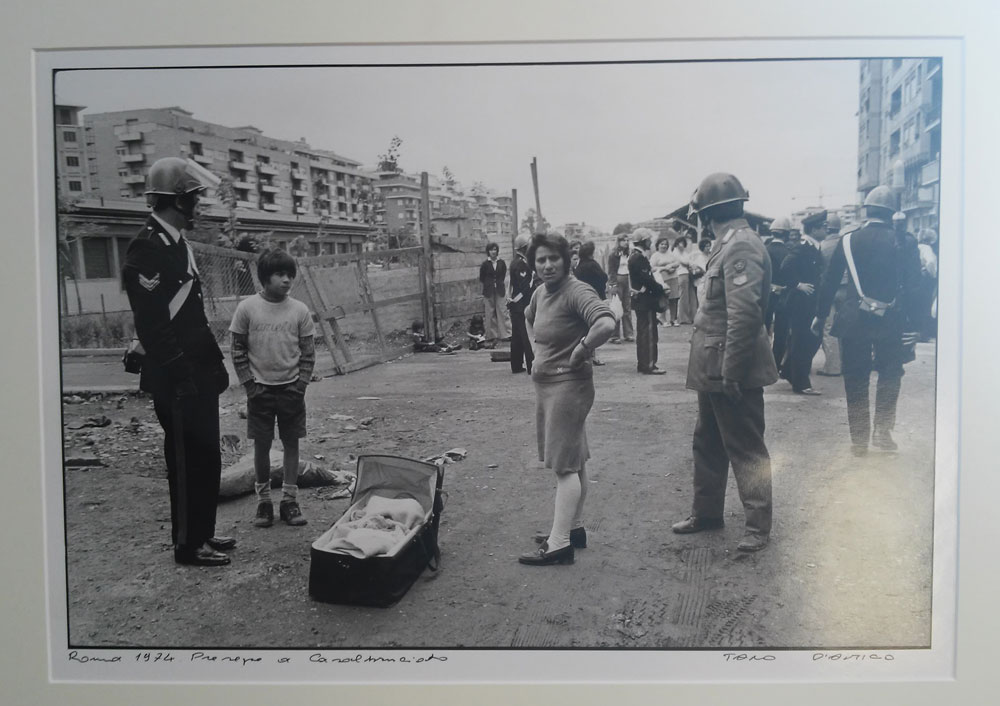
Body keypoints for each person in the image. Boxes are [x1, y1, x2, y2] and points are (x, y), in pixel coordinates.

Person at [121, 157, 233, 567]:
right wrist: (182, 373)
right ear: (177, 201)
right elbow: (153, 325)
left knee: (207, 456)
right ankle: (188, 545)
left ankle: (202, 532)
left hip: (195, 372)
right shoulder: (147, 246)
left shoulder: (175, 242)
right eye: (195, 197)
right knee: (186, 463)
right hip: (176, 376)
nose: (200, 205)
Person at [672, 173, 778, 553]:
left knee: (746, 445)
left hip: (730, 366)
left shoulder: (741, 247)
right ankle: (707, 512)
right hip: (711, 363)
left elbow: (745, 315)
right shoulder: (726, 244)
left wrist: (732, 372)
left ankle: (757, 526)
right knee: (708, 441)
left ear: (706, 214)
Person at [520, 233, 616, 566]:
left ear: (567, 260)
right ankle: (573, 529)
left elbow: (606, 322)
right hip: (548, 386)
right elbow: (528, 317)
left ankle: (559, 544)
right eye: (540, 260)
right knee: (576, 460)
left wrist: (583, 348)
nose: (547, 265)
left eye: (553, 259)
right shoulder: (540, 293)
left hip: (569, 386)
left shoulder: (576, 291)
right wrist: (537, 352)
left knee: (564, 468)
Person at [811, 186, 922, 456]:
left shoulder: (848, 241)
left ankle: (859, 439)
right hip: (892, 320)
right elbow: (915, 287)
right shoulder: (905, 242)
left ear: (866, 210)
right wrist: (916, 327)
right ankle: (882, 433)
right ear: (892, 212)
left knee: (856, 377)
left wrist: (820, 314)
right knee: (890, 375)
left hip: (854, 319)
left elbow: (829, 282)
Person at [229, 248, 316, 528]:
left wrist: (300, 384)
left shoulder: (299, 310)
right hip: (260, 392)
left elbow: (308, 353)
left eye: (290, 274)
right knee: (262, 447)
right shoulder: (247, 308)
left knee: (291, 444)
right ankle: (263, 502)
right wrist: (249, 386)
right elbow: (237, 348)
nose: (287, 280)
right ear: (264, 278)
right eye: (279, 274)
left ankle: (289, 500)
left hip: (291, 389)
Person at [778, 211, 825, 394]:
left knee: (808, 339)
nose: (826, 230)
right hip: (801, 302)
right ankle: (801, 383)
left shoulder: (813, 246)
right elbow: (785, 266)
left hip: (807, 301)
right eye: (824, 227)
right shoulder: (803, 246)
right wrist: (798, 285)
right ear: (814, 229)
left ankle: (790, 371)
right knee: (803, 340)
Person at [628, 228, 667, 375]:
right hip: (645, 300)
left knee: (643, 333)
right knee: (649, 334)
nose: (651, 242)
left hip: (641, 300)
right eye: (649, 240)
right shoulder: (639, 258)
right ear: (644, 241)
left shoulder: (635, 256)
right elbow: (647, 280)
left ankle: (643, 363)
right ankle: (649, 365)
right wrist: (660, 289)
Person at [816, 213, 845, 376]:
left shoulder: (823, 245)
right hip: (846, 289)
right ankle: (846, 364)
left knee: (828, 328)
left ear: (827, 228)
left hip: (828, 289)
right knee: (845, 326)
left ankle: (833, 367)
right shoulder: (846, 242)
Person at [573, 240, 610, 366]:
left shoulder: (579, 266)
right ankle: (593, 355)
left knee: (584, 329)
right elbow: (604, 277)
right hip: (595, 297)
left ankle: (584, 355)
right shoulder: (592, 264)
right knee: (593, 328)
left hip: (582, 298)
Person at [507, 233, 536, 374]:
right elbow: (525, 286)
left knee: (517, 336)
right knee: (526, 336)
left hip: (517, 305)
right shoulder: (520, 264)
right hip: (521, 304)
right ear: (524, 248)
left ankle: (517, 365)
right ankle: (531, 366)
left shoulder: (518, 262)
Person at [765, 217, 792, 361]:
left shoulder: (765, 249)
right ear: (786, 234)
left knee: (764, 327)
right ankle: (776, 362)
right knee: (781, 330)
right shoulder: (789, 250)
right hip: (785, 294)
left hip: (767, 293)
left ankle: (762, 360)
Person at [478, 242, 509, 345]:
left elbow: (503, 275)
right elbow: (482, 277)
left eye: (495, 250)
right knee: (490, 312)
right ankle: (491, 335)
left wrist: (498, 283)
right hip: (488, 290)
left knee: (502, 311)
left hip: (499, 290)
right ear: (488, 252)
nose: (493, 252)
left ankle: (505, 334)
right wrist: (489, 284)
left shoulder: (501, 263)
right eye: (491, 250)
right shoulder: (485, 264)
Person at [606, 234, 635, 342]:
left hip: (627, 279)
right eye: (623, 240)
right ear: (619, 242)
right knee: (616, 307)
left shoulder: (629, 254)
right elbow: (611, 271)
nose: (626, 242)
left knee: (627, 307)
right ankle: (614, 335)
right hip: (617, 279)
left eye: (627, 240)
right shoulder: (613, 254)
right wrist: (612, 284)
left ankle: (628, 333)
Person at [916, 228, 939, 341]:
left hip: (916, 278)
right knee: (927, 305)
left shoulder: (915, 247)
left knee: (918, 305)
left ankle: (919, 331)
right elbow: (930, 262)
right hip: (926, 279)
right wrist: (934, 275)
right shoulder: (927, 248)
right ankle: (925, 333)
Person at [649, 235, 677, 325]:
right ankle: (663, 319)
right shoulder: (655, 255)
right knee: (663, 299)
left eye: (665, 244)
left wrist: (671, 266)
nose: (664, 246)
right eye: (662, 244)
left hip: (673, 277)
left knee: (674, 299)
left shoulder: (670, 254)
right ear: (658, 245)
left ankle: (673, 319)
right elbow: (652, 268)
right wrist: (664, 268)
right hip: (662, 279)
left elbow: (677, 263)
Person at [673, 234, 698, 324]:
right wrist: (690, 264)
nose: (682, 245)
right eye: (680, 243)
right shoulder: (675, 252)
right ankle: (683, 318)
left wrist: (690, 264)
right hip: (681, 274)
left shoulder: (684, 252)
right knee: (684, 297)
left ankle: (692, 316)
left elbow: (690, 262)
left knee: (691, 296)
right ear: (676, 244)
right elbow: (685, 262)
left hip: (687, 273)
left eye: (683, 243)